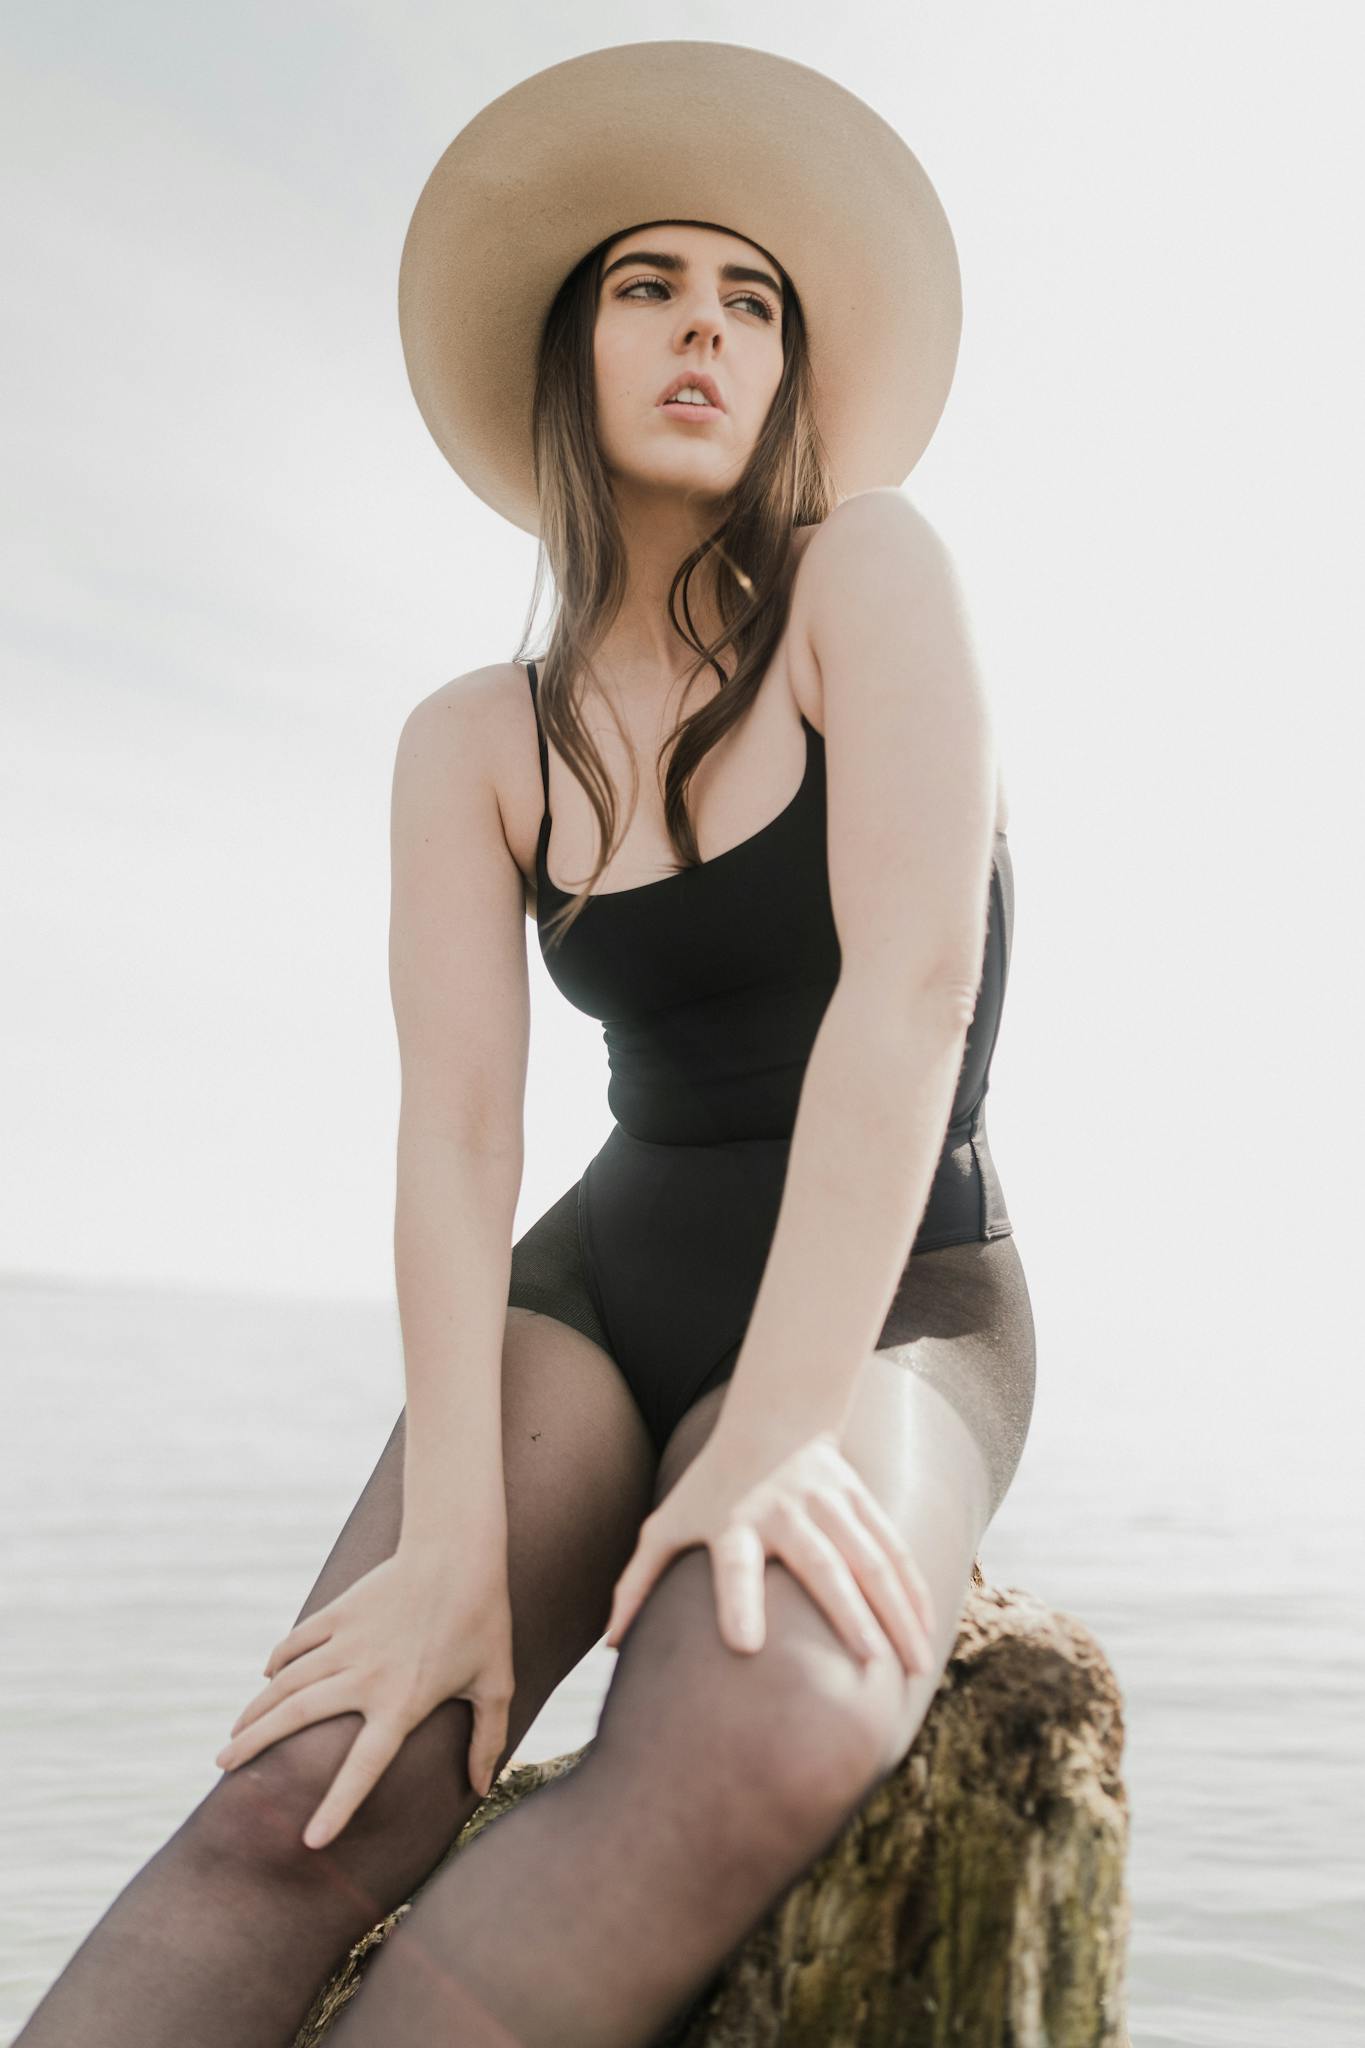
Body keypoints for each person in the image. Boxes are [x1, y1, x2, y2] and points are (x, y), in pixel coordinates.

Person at [16, 39, 1036, 2047]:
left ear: (786, 373)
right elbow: (457, 1142)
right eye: (653, 287)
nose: (703, 333)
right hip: (595, 1293)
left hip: (893, 1290)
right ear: (572, 348)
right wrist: (458, 1555)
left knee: (764, 1730)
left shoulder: (869, 574)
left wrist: (769, 1427)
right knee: (319, 1781)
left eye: (751, 304)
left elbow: (913, 992)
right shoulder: (470, 742)